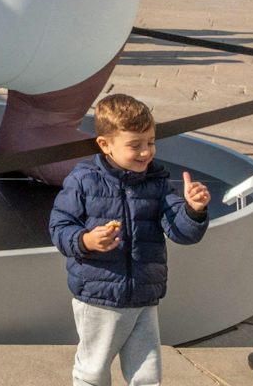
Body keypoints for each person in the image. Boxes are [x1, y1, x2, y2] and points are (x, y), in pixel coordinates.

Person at [49, 94, 210, 386]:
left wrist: (193, 210)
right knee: (93, 371)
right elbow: (59, 227)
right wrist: (86, 240)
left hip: (144, 296)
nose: (146, 152)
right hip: (98, 297)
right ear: (105, 145)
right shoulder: (84, 179)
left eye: (150, 142)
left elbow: (181, 232)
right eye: (134, 145)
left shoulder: (158, 182)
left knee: (147, 374)